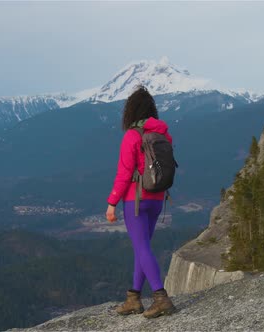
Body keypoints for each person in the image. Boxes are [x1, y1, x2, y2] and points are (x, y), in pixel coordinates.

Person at [105, 85, 177, 319]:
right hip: (157, 199)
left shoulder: (132, 136)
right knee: (142, 248)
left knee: (142, 248)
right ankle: (133, 298)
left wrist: (112, 202)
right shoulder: (164, 134)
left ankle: (160, 297)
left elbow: (124, 173)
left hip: (135, 201)